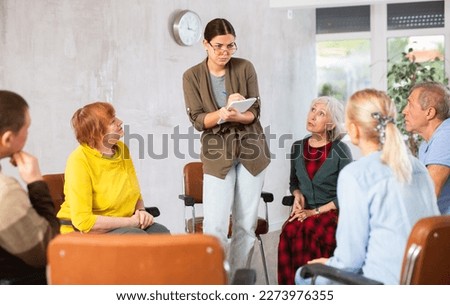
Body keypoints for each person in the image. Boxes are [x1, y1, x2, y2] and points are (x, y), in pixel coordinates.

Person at [295, 89, 440, 285]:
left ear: (353, 129)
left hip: (380, 284)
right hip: (423, 278)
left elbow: (349, 262)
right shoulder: (418, 167)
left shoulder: (356, 174)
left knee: (304, 274)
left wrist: (329, 263)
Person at [182, 18, 270, 278]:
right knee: (215, 226)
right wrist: (222, 113)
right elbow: (198, 120)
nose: (225, 52)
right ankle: (215, 282)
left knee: (245, 226)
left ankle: (237, 285)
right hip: (216, 154)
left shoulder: (245, 68)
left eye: (231, 46)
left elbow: (254, 112)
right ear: (205, 44)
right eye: (219, 46)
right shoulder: (192, 76)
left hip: (251, 151)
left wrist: (238, 114)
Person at [57, 102, 169, 234]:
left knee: (161, 233)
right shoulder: (79, 160)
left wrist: (141, 212)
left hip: (124, 224)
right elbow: (83, 221)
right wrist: (131, 222)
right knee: (136, 237)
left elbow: (135, 193)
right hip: (88, 231)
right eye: (112, 122)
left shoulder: (122, 149)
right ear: (97, 132)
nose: (120, 122)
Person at [277, 96, 353, 285]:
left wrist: (314, 212)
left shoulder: (341, 151)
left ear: (330, 124)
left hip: (331, 211)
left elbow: (346, 193)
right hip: (306, 209)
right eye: (312, 110)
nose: (313, 116)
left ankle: (317, 287)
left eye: (321, 113)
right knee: (289, 231)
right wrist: (297, 195)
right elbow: (293, 182)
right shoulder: (297, 148)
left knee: (311, 231)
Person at [0, 90, 60, 284]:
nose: (27, 134)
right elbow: (49, 250)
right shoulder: (6, 192)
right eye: (27, 128)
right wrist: (36, 183)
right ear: (8, 139)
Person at [403, 81, 450, 214]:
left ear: (429, 112)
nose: (404, 111)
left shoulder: (446, 135)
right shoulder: (426, 144)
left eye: (410, 104)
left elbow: (429, 193)